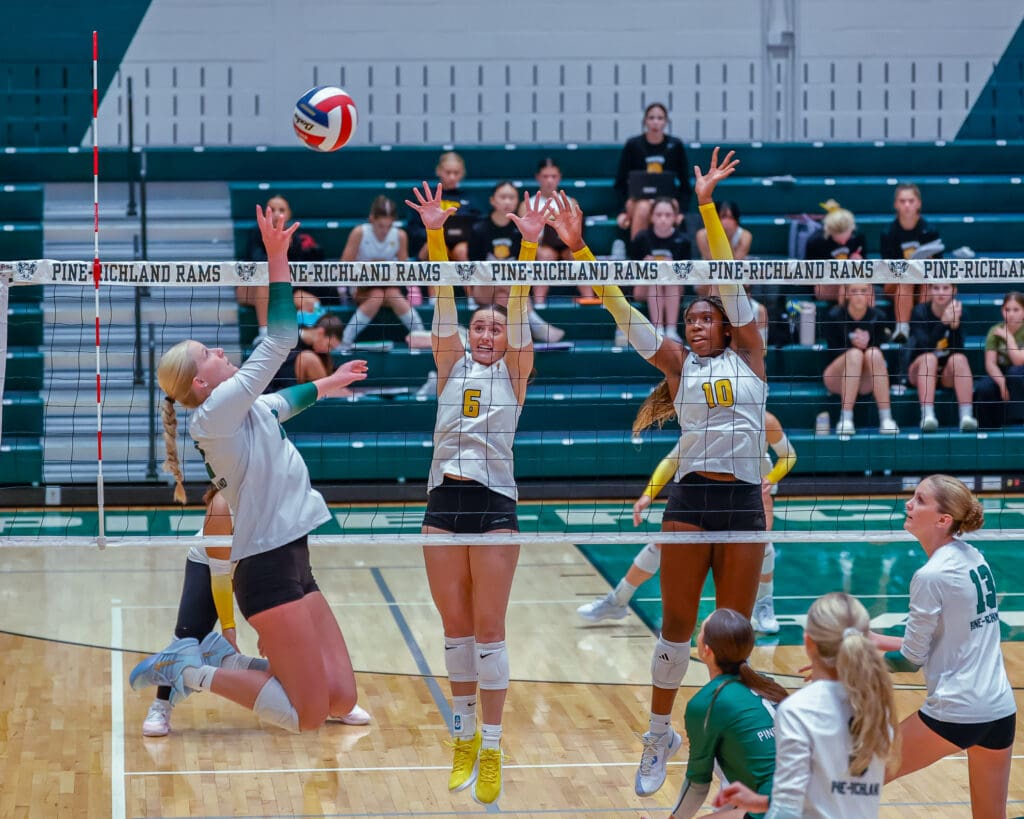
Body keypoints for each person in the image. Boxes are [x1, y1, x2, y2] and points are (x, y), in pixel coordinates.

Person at [551, 147, 769, 798]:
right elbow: (626, 313)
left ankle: (726, 736)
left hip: (745, 505)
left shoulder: (752, 354)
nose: (698, 325)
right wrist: (582, 249)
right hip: (693, 499)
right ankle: (657, 733)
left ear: (727, 326)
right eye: (691, 320)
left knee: (732, 632)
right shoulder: (680, 367)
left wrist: (705, 202)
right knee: (678, 624)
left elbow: (728, 273)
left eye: (708, 318)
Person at [130, 204, 369, 736]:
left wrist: (331, 383)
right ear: (201, 384)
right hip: (263, 567)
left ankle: (220, 654)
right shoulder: (213, 414)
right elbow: (281, 338)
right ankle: (189, 670)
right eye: (208, 353)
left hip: (293, 554)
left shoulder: (241, 411)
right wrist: (277, 258)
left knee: (339, 696)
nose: (219, 349)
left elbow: (285, 401)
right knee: (306, 717)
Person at [405, 180, 550, 806]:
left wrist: (529, 249)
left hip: (495, 504)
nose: (488, 333)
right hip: (443, 501)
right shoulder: (451, 364)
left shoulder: (516, 372)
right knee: (455, 629)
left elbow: (518, 315)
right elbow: (442, 301)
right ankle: (461, 737)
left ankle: (491, 747)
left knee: (490, 630)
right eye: (479, 327)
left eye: (496, 327)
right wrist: (434, 233)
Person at [141, 487, 371, 736]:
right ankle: (161, 705)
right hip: (212, 564)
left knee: (302, 652)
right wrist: (229, 629)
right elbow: (220, 577)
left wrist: (272, 627)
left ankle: (327, 691)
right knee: (187, 637)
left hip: (269, 575)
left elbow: (295, 562)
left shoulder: (288, 489)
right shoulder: (222, 505)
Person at [870, 475, 1016, 819]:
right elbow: (953, 636)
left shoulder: (931, 575)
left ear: (943, 519)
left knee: (853, 780)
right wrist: (873, 641)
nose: (908, 503)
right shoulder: (972, 556)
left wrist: (848, 662)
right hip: (998, 710)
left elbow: (909, 661)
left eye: (919, 500)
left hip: (956, 710)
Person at [577, 412, 797, 636]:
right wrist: (648, 495)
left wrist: (770, 479)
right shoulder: (705, 417)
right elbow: (673, 459)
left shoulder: (764, 420)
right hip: (704, 489)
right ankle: (618, 600)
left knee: (760, 542)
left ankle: (763, 606)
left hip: (752, 489)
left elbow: (788, 456)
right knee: (664, 542)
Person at [716, 592, 899, 819]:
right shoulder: (877, 704)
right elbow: (835, 797)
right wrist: (761, 802)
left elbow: (786, 810)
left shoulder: (799, 709)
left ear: (808, 642)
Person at [669, 608, 788, 819]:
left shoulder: (707, 702)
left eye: (700, 631)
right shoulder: (767, 685)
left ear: (707, 650)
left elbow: (697, 784)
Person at [470, 180, 564, 343]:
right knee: (504, 281)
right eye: (503, 197)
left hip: (511, 290)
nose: (507, 201)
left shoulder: (521, 228)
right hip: (483, 288)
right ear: (492, 200)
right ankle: (534, 323)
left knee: (503, 297)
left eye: (511, 197)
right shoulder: (479, 229)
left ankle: (511, 341)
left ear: (517, 201)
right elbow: (471, 269)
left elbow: (527, 264)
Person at [240, 195, 334, 343]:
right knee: (265, 281)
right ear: (265, 214)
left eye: (281, 210)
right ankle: (264, 333)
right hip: (252, 287)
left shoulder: (295, 239)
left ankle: (301, 337)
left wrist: (288, 248)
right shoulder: (256, 233)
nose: (277, 213)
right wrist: (278, 249)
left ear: (289, 214)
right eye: (272, 210)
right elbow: (259, 263)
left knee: (310, 301)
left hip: (282, 287)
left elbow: (295, 272)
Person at [339, 195, 424, 348]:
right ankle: (345, 341)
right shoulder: (359, 233)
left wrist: (413, 288)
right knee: (377, 295)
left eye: (388, 226)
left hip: (390, 285)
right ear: (372, 219)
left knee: (392, 294)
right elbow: (344, 265)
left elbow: (405, 270)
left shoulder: (400, 235)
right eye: (380, 226)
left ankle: (421, 335)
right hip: (361, 286)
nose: (384, 231)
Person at [822, 283, 899, 436]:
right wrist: (854, 346)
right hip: (837, 377)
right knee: (854, 354)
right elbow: (832, 353)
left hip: (865, 381)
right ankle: (845, 419)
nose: (858, 295)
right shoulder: (834, 315)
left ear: (870, 294)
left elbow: (879, 352)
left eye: (863, 291)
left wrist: (866, 345)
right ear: (847, 294)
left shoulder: (879, 317)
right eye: (854, 291)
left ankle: (886, 419)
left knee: (873, 353)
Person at [614, 102, 691, 242]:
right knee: (643, 207)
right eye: (651, 118)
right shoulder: (633, 145)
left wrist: (681, 212)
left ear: (666, 122)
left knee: (664, 209)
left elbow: (685, 184)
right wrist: (622, 211)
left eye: (660, 118)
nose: (655, 122)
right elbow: (620, 183)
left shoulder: (675, 145)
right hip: (637, 199)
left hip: (667, 197)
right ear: (645, 121)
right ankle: (638, 257)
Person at [907, 283, 978, 432]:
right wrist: (943, 323)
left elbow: (958, 349)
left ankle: (966, 417)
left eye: (945, 288)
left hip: (946, 373)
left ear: (954, 290)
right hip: (919, 370)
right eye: (936, 288)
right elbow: (924, 346)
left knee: (959, 359)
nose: (941, 292)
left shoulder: (961, 312)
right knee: (929, 358)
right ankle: (927, 417)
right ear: (930, 290)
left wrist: (954, 327)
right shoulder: (919, 311)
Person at [880, 183, 944, 343]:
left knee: (927, 282)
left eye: (910, 200)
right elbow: (886, 270)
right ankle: (903, 329)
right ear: (896, 204)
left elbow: (939, 266)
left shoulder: (930, 230)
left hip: (923, 280)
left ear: (918, 203)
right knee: (905, 280)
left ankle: (921, 327)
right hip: (896, 283)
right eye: (902, 201)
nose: (907, 205)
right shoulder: (888, 232)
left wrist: (929, 261)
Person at [632, 197, 692, 343]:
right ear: (651, 217)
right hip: (644, 287)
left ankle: (671, 331)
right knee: (656, 278)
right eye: (659, 215)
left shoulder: (683, 240)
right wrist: (644, 265)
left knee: (668, 279)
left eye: (667, 215)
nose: (663, 219)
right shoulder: (642, 237)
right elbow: (631, 268)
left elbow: (689, 273)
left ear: (676, 218)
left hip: (674, 288)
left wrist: (673, 267)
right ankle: (657, 329)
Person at [407, 151, 481, 262]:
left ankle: (466, 279)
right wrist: (430, 233)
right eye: (448, 172)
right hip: (432, 239)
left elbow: (477, 225)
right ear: (439, 171)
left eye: (456, 173)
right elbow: (413, 227)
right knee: (432, 247)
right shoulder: (427, 196)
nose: (452, 177)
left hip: (460, 244)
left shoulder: (469, 198)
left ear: (462, 173)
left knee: (462, 250)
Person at [974, 291, 1024, 429]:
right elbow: (990, 363)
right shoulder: (995, 330)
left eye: (1016, 309)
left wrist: (1008, 338)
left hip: (1020, 373)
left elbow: (1019, 361)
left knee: (1015, 374)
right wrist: (1001, 382)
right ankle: (987, 428)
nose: (1011, 314)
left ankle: (1017, 425)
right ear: (1002, 311)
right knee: (984, 387)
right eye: (1007, 309)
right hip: (1001, 372)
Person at [267, 313, 344, 391]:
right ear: (320, 332)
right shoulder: (285, 339)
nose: (328, 351)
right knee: (309, 359)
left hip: (298, 394)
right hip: (275, 393)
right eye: (329, 345)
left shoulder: (319, 352)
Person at [804, 205, 865, 304]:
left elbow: (866, 270)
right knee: (845, 287)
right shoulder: (815, 242)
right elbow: (810, 276)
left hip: (852, 282)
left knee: (866, 289)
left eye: (846, 238)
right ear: (829, 231)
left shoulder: (858, 237)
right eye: (839, 240)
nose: (843, 242)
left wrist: (860, 262)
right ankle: (842, 316)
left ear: (852, 229)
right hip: (825, 285)